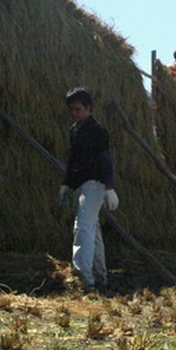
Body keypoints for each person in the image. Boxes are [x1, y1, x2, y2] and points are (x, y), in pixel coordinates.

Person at [59, 87, 118, 291]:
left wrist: (109, 187)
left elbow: (106, 160)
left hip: (95, 183)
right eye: (72, 110)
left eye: (78, 109)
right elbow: (73, 160)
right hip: (79, 185)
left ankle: (83, 278)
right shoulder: (74, 130)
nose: (75, 113)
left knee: (82, 226)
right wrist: (66, 184)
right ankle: (100, 276)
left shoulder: (98, 131)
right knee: (93, 230)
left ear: (88, 108)